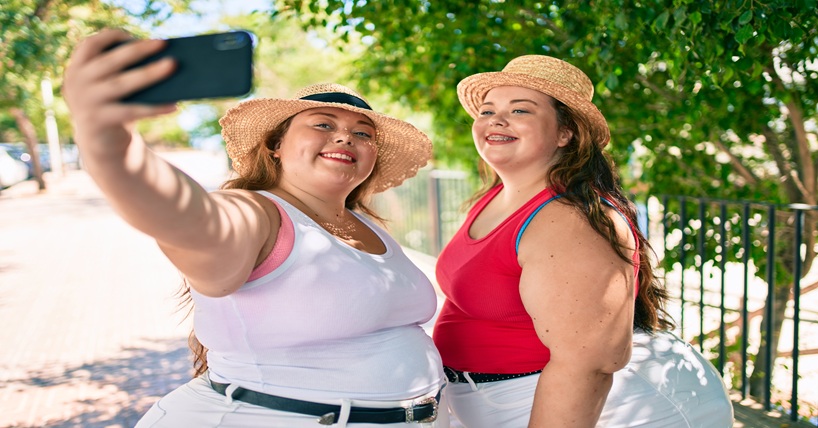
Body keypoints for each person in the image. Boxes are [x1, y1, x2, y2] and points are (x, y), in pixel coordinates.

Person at [63, 29, 448, 427]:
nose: (344, 136)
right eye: (322, 124)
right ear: (275, 146)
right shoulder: (255, 212)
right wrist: (111, 143)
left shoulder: (369, 226)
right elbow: (190, 218)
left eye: (362, 133)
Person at [431, 55, 734, 427]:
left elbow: (587, 365)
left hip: (599, 410)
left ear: (565, 133)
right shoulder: (492, 199)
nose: (496, 119)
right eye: (487, 110)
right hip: (494, 402)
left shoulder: (567, 219)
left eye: (520, 110)